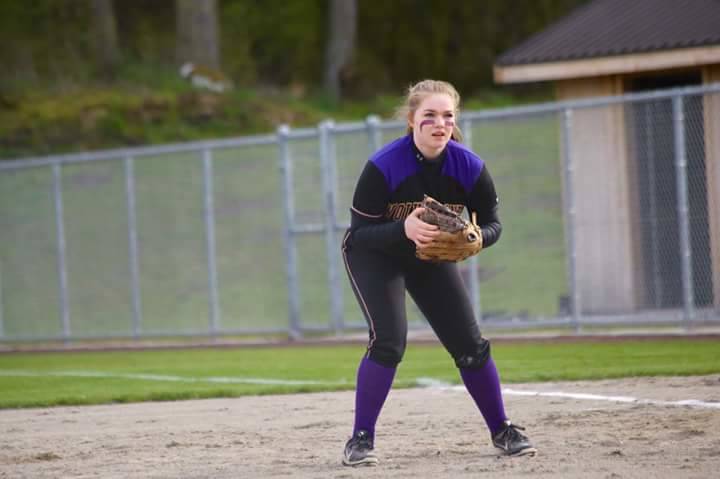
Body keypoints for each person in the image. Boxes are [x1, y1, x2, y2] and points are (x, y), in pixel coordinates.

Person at [340, 79, 536, 467]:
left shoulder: (469, 167)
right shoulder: (384, 166)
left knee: (470, 344)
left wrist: (478, 238)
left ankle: (502, 430)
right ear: (412, 120)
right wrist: (403, 228)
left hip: (430, 255)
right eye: (429, 115)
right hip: (375, 256)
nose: (439, 124)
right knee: (389, 342)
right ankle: (360, 440)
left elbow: (492, 223)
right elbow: (359, 235)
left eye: (447, 116)